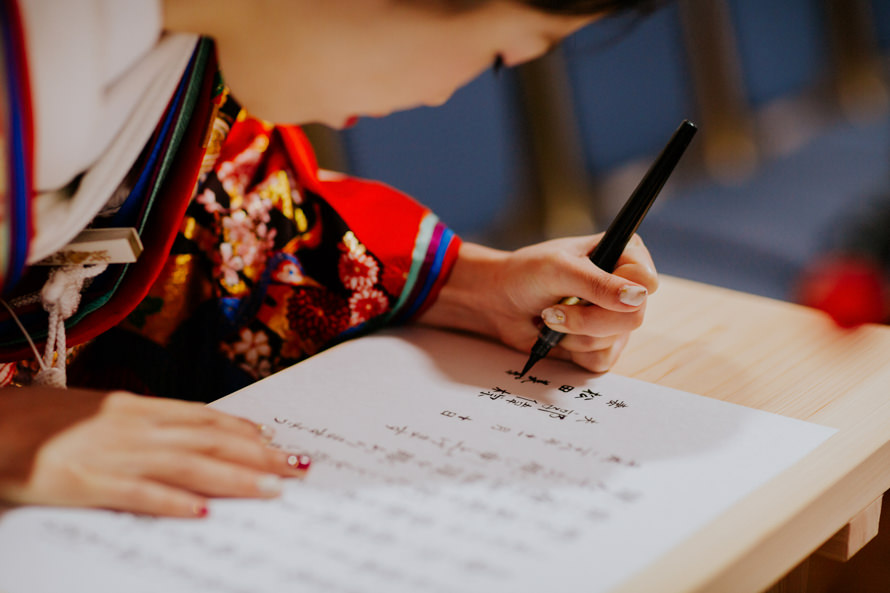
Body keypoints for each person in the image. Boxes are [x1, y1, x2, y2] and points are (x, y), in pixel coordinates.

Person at [0, 0, 660, 518]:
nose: (442, 99)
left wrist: (476, 287)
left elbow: (227, 223)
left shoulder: (185, 43)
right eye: (495, 55)